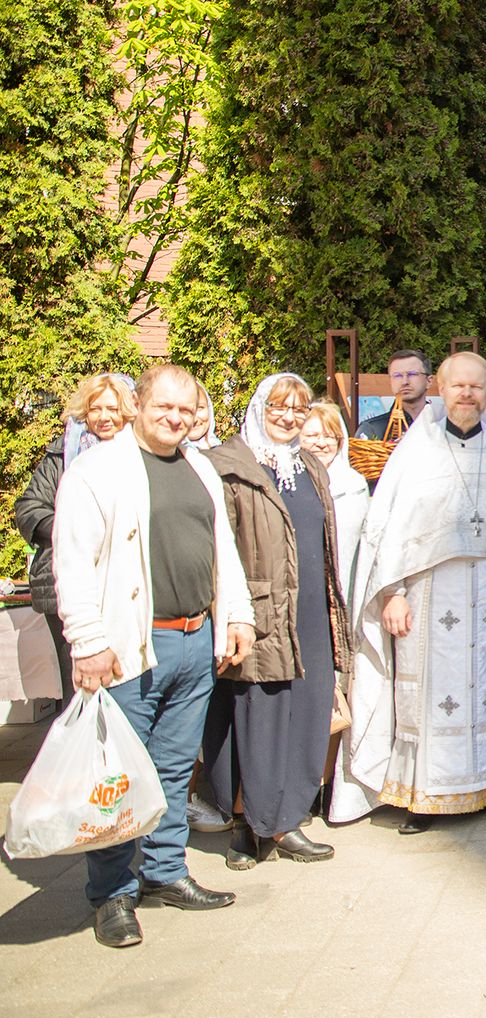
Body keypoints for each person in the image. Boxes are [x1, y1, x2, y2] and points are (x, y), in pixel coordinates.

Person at [53, 364, 255, 949]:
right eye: (164, 407)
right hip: (127, 646)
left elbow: (224, 552)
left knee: (171, 768)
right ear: (138, 404)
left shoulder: (199, 467)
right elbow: (74, 561)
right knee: (116, 775)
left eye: (186, 410)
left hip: (195, 640)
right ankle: (113, 894)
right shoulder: (99, 469)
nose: (175, 418)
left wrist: (235, 615)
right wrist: (87, 641)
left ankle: (164, 870)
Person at [333, 351, 486, 833]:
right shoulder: (416, 448)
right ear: (440, 388)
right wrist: (392, 592)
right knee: (432, 693)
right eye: (457, 385)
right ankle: (428, 796)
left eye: (476, 387)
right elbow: (390, 529)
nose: (467, 394)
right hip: (430, 590)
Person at [203, 373, 352, 870]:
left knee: (306, 717)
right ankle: (249, 824)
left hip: (311, 609)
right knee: (256, 719)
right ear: (260, 407)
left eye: (298, 408)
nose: (289, 417)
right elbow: (218, 550)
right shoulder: (229, 465)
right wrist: (230, 615)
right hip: (259, 613)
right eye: (279, 408)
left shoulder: (309, 466)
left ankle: (286, 820)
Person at [16, 370, 136, 702]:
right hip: (64, 584)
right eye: (96, 409)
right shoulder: (62, 454)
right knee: (80, 687)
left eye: (113, 408)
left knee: (124, 680)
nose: (104, 417)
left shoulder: (140, 458)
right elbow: (28, 507)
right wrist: (73, 529)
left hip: (124, 584)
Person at [301, 401, 372, 598]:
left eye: (330, 436)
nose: (322, 443)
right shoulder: (289, 483)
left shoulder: (354, 485)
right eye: (312, 436)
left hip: (345, 590)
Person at [356, 350, 431, 441]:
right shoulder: (373, 429)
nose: (405, 382)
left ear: (429, 381)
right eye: (397, 375)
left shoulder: (444, 424)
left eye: (412, 374)